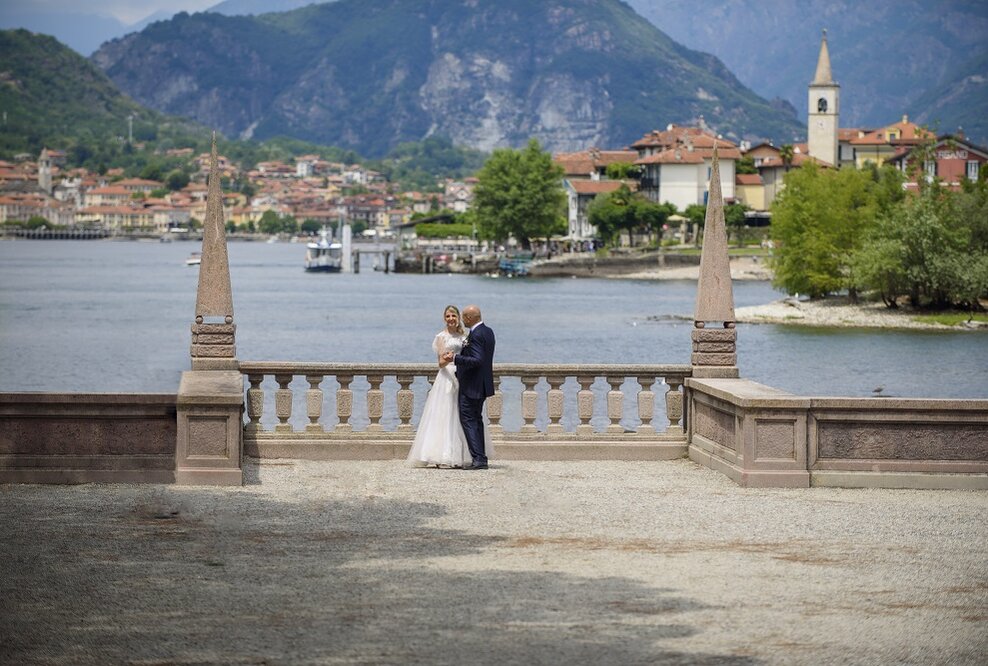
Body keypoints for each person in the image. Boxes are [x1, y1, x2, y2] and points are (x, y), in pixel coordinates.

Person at [406, 305, 472, 468]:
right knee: (444, 414)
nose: (451, 319)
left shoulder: (464, 336)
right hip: (447, 378)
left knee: (460, 415)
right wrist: (452, 359)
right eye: (448, 316)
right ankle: (441, 455)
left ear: (458, 318)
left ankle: (461, 454)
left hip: (463, 377)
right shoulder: (441, 337)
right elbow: (441, 363)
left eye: (453, 316)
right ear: (444, 318)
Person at [442, 304, 495, 470]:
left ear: (470, 318)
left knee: (469, 420)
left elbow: (477, 360)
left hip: (471, 385)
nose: (463, 320)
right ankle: (481, 457)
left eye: (464, 317)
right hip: (482, 384)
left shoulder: (476, 334)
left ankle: (478, 459)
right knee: (477, 420)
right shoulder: (488, 331)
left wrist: (455, 358)